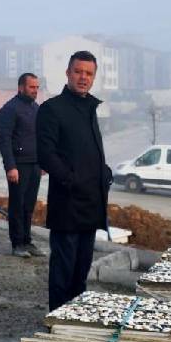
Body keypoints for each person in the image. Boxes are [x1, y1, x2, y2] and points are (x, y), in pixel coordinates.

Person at [37, 51, 112, 310]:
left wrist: (104, 172)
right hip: (67, 203)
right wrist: (71, 180)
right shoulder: (52, 109)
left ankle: (74, 316)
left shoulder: (90, 107)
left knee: (81, 271)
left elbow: (87, 150)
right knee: (63, 270)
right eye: (78, 72)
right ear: (68, 73)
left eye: (89, 73)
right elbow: (46, 154)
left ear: (94, 77)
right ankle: (57, 318)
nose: (83, 77)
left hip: (91, 203)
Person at [0, 72, 45, 258]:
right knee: (17, 205)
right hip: (18, 166)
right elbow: (5, 140)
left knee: (29, 206)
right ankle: (17, 244)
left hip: (34, 165)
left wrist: (43, 162)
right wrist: (10, 166)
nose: (35, 91)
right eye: (32, 87)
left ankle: (27, 241)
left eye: (36, 88)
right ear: (21, 87)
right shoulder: (9, 109)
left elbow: (41, 138)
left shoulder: (36, 108)